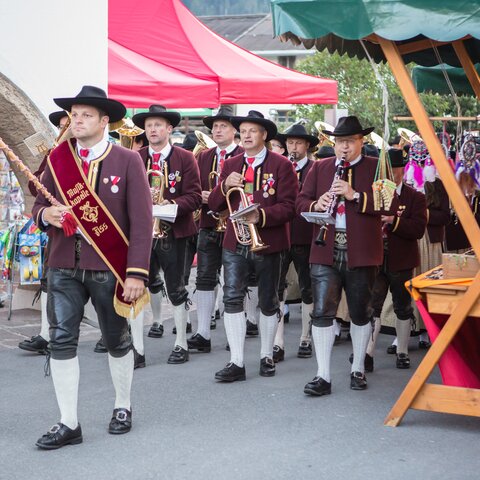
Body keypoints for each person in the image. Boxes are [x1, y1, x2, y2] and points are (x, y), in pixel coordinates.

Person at [32, 85, 152, 448]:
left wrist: (136, 273)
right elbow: (36, 203)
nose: (77, 121)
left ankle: (122, 405)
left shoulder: (127, 160)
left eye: (85, 115)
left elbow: (142, 221)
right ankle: (69, 422)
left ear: (104, 121)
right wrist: (45, 214)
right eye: (74, 115)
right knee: (61, 339)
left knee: (116, 340)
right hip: (64, 264)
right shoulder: (57, 160)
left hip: (109, 268)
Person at [296, 116, 395, 396]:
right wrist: (318, 203)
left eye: (349, 142)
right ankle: (322, 375)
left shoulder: (377, 167)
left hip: (361, 250)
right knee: (322, 312)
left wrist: (355, 196)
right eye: (340, 142)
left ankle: (358, 369)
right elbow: (301, 201)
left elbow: (390, 204)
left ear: (361, 142)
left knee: (361, 312)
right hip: (325, 247)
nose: (344, 147)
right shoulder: (321, 167)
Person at [209, 110, 297, 381]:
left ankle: (267, 355)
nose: (246, 135)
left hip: (269, 241)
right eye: (243, 131)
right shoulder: (231, 164)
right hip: (235, 241)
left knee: (269, 301)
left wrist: (262, 216)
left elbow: (290, 207)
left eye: (252, 131)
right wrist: (224, 186)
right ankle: (236, 361)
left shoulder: (282, 165)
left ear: (264, 135)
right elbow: (213, 206)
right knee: (232, 298)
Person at [133, 105, 201, 364]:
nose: (152, 129)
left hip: (174, 231)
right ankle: (137, 348)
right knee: (138, 288)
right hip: (143, 234)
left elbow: (194, 196)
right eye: (149, 125)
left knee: (177, 289)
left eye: (158, 125)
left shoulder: (185, 158)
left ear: (169, 129)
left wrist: (164, 207)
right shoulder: (136, 157)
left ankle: (181, 342)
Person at [187, 105, 244, 353]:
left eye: (223, 126)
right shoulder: (203, 156)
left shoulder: (244, 155)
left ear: (235, 130)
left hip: (234, 224)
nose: (217, 130)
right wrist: (201, 195)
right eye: (215, 126)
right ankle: (203, 333)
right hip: (209, 223)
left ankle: (239, 330)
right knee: (204, 278)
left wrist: (221, 197)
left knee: (234, 281)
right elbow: (193, 186)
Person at [363, 148, 427, 370]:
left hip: (401, 260)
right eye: (385, 171)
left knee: (402, 307)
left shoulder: (415, 197)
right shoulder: (375, 193)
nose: (390, 175)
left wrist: (393, 220)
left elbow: (418, 229)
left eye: (393, 170)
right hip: (377, 258)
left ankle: (402, 351)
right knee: (374, 306)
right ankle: (368, 352)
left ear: (401, 169)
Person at [19, 111, 69, 355]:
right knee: (50, 281)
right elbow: (34, 186)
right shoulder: (54, 155)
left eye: (66, 126)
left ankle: (107, 332)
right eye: (61, 127)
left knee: (98, 285)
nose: (64, 132)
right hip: (59, 233)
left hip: (90, 232)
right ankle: (46, 334)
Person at [272, 124, 318, 362]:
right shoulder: (280, 166)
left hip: (304, 234)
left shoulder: (315, 168)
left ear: (307, 146)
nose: (293, 147)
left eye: (298, 143)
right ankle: (278, 342)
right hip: (282, 234)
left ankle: (305, 338)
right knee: (278, 287)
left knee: (307, 288)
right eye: (290, 143)